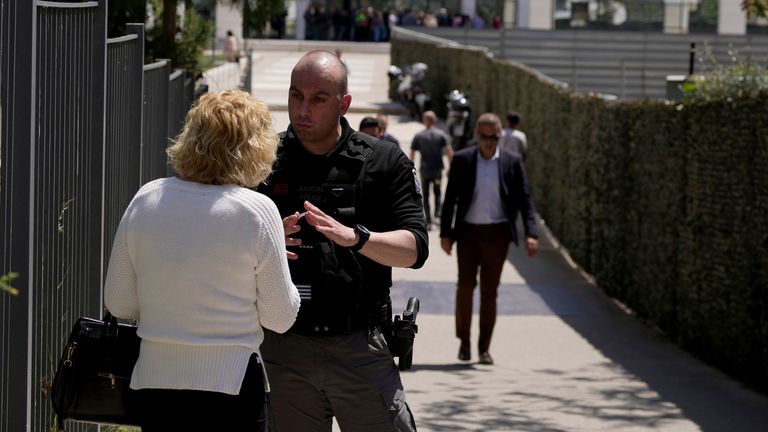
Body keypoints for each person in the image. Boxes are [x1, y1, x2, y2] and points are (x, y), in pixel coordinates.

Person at [104, 90, 301, 430]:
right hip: (232, 388)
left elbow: (119, 301)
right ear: (257, 147)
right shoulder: (256, 210)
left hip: (154, 383)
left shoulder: (147, 197)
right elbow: (281, 317)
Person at [257, 50, 429, 431]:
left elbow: (415, 248)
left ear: (344, 104)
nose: (303, 109)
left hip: (360, 348)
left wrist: (357, 238)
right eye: (296, 95)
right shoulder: (264, 161)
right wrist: (261, 238)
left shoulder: (384, 161)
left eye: (318, 99)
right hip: (285, 350)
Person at [440, 112, 538, 366]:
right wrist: (446, 234)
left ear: (500, 135)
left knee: (489, 292)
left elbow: (525, 199)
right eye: (485, 137)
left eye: (494, 137)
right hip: (468, 234)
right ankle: (464, 341)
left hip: (498, 234)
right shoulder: (463, 160)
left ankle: (484, 348)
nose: (489, 142)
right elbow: (450, 199)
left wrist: (531, 232)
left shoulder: (512, 161)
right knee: (464, 286)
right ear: (477, 135)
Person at [409, 110, 453, 228]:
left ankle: (428, 220)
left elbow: (412, 153)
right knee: (438, 192)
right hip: (437, 171)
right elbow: (449, 151)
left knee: (426, 194)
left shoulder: (419, 136)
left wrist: (410, 168)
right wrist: (451, 166)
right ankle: (437, 214)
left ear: (424, 121)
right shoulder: (441, 135)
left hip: (425, 171)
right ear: (435, 120)